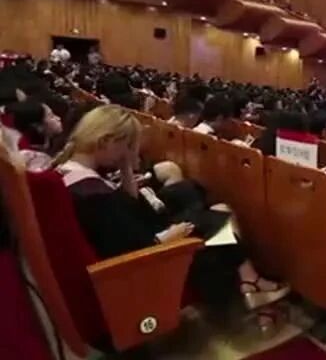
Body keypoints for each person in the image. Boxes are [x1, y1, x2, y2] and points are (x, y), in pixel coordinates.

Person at [53, 106, 286, 324]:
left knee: (213, 213)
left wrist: (126, 167)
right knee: (220, 221)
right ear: (106, 141)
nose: (130, 153)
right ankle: (248, 287)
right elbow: (134, 248)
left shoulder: (70, 172)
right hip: (146, 262)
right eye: (127, 146)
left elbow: (129, 207)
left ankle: (249, 282)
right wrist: (171, 236)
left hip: (143, 241)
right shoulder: (94, 195)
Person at [5, 99, 63, 171]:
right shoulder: (29, 157)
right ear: (38, 127)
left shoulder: (47, 140)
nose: (58, 118)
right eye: (51, 116)